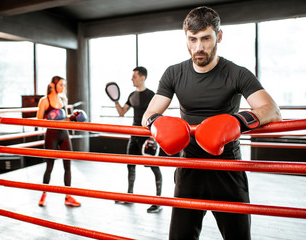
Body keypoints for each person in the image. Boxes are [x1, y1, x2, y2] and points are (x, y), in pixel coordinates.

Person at [142, 6, 282, 239]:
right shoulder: (173, 74)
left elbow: (272, 110)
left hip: (227, 169)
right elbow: (150, 112)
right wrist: (157, 123)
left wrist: (237, 121)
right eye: (192, 39)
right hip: (190, 168)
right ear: (185, 38)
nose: (198, 47)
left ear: (218, 36)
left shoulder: (237, 73)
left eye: (206, 38)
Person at [110, 66, 163, 213]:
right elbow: (122, 112)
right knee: (130, 165)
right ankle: (129, 196)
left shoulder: (152, 95)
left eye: (134, 76)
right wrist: (115, 100)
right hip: (134, 135)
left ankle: (158, 201)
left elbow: (158, 116)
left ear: (142, 77)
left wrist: (154, 138)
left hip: (147, 136)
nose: (132, 78)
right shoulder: (132, 95)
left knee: (154, 167)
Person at [37, 76, 81, 207]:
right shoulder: (44, 101)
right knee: (49, 166)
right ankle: (44, 194)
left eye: (64, 85)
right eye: (61, 85)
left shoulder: (63, 99)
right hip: (52, 134)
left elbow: (65, 118)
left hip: (64, 133)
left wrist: (73, 117)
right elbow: (38, 120)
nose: (63, 88)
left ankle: (68, 196)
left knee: (67, 165)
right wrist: (48, 118)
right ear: (53, 85)